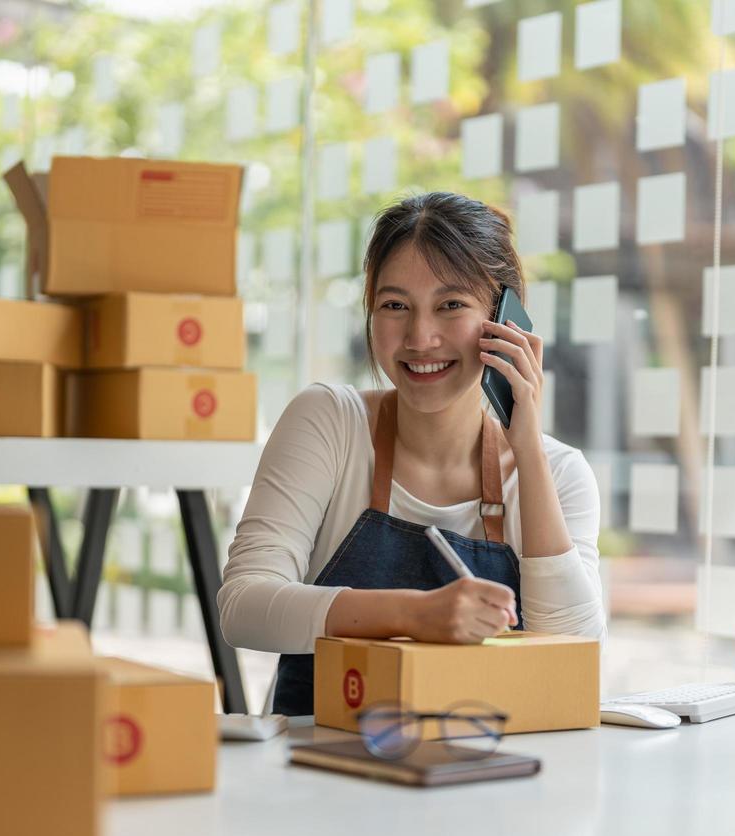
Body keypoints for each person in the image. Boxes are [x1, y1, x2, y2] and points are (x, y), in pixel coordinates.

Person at [218, 191, 605, 717]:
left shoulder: (558, 472)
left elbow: (570, 651)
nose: (420, 337)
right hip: (319, 771)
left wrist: (528, 450)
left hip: (487, 774)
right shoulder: (330, 422)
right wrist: (413, 615)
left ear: (507, 321)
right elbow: (244, 607)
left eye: (451, 305)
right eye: (395, 305)